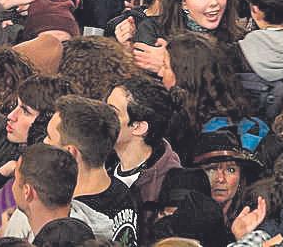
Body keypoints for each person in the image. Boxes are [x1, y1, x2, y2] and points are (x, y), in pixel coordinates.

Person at [43, 96, 139, 245]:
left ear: (70, 152)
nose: (44, 142)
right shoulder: (125, 192)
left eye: (49, 137)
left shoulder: (71, 223)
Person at [104, 77, 181, 205]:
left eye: (112, 112)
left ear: (138, 127)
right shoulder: (101, 163)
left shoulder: (168, 186)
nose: (102, 116)